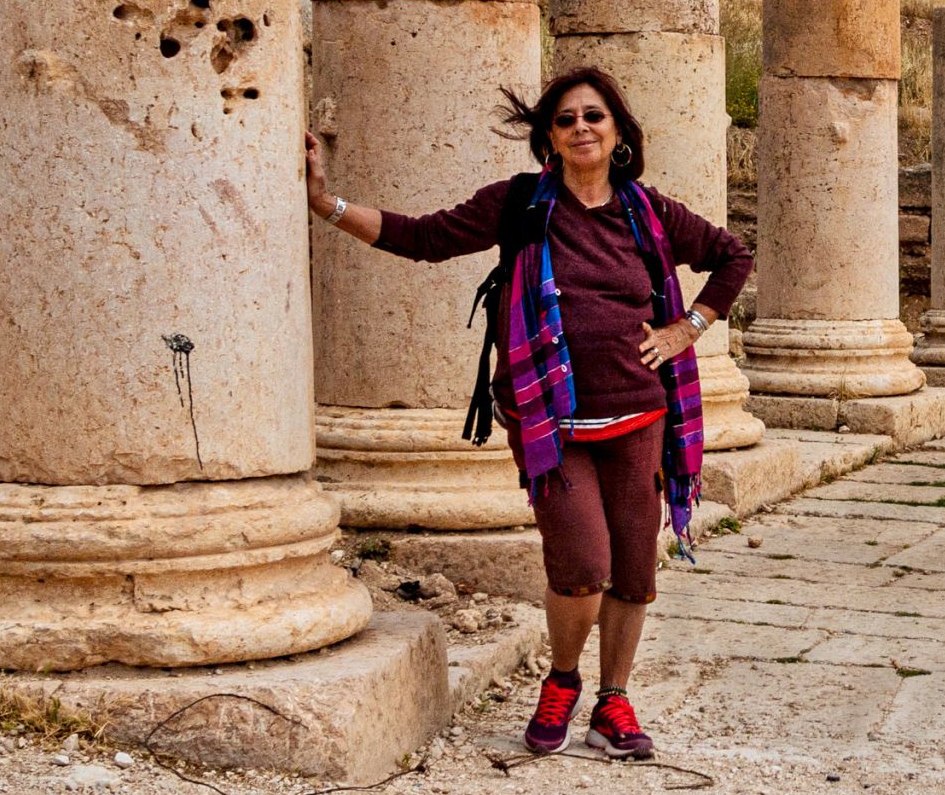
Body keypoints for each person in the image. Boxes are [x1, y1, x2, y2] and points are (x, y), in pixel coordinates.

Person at [305, 66, 752, 759]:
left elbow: (731, 255)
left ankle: (614, 700)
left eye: (593, 116)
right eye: (567, 117)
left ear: (618, 133)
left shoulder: (650, 212)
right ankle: (564, 679)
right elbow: (423, 236)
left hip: (640, 417)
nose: (581, 126)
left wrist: (686, 327)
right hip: (553, 424)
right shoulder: (519, 205)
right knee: (580, 563)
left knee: (634, 572)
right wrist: (326, 203)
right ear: (549, 134)